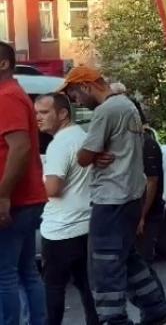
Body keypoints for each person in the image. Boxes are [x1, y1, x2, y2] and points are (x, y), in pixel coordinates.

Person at [61, 66, 166, 325]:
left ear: (86, 86)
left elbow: (82, 158)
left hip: (111, 199)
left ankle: (114, 319)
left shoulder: (106, 111)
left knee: (104, 266)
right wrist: (94, 154)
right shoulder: (126, 105)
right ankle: (155, 306)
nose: (75, 102)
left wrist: (90, 154)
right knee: (127, 257)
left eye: (74, 95)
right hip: (130, 196)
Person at [35, 93, 100, 325]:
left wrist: (32, 185)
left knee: (53, 288)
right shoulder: (82, 136)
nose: (38, 118)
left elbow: (53, 188)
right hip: (86, 225)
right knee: (86, 285)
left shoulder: (59, 145)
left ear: (62, 114)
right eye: (36, 113)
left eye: (44, 113)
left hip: (60, 230)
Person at [0, 41, 48, 325]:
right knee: (25, 271)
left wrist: (3, 196)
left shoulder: (6, 96)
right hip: (25, 200)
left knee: (4, 275)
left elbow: (20, 147)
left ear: (3, 64)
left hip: (15, 202)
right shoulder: (14, 93)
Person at [110, 83, 164, 262]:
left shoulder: (146, 144)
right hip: (130, 212)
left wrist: (141, 217)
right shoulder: (127, 142)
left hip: (146, 214)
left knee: (143, 262)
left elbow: (152, 181)